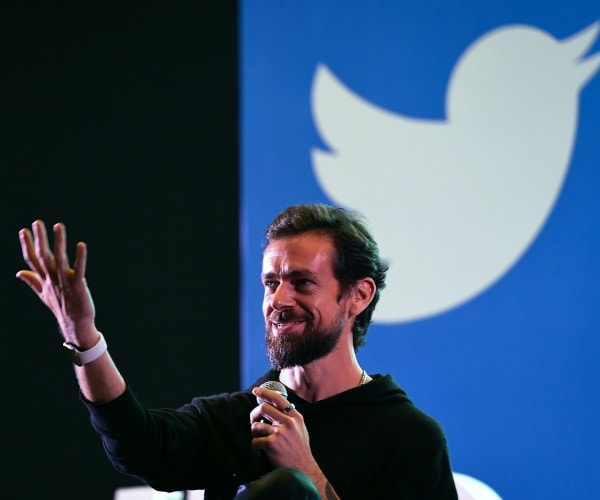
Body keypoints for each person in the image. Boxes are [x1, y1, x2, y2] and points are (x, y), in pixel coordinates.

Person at [17, 203, 458, 499]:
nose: (279, 300)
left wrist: (309, 476)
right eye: (271, 283)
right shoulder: (233, 419)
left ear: (357, 296)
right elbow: (138, 444)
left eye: (302, 282)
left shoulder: (409, 439)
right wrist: (84, 336)